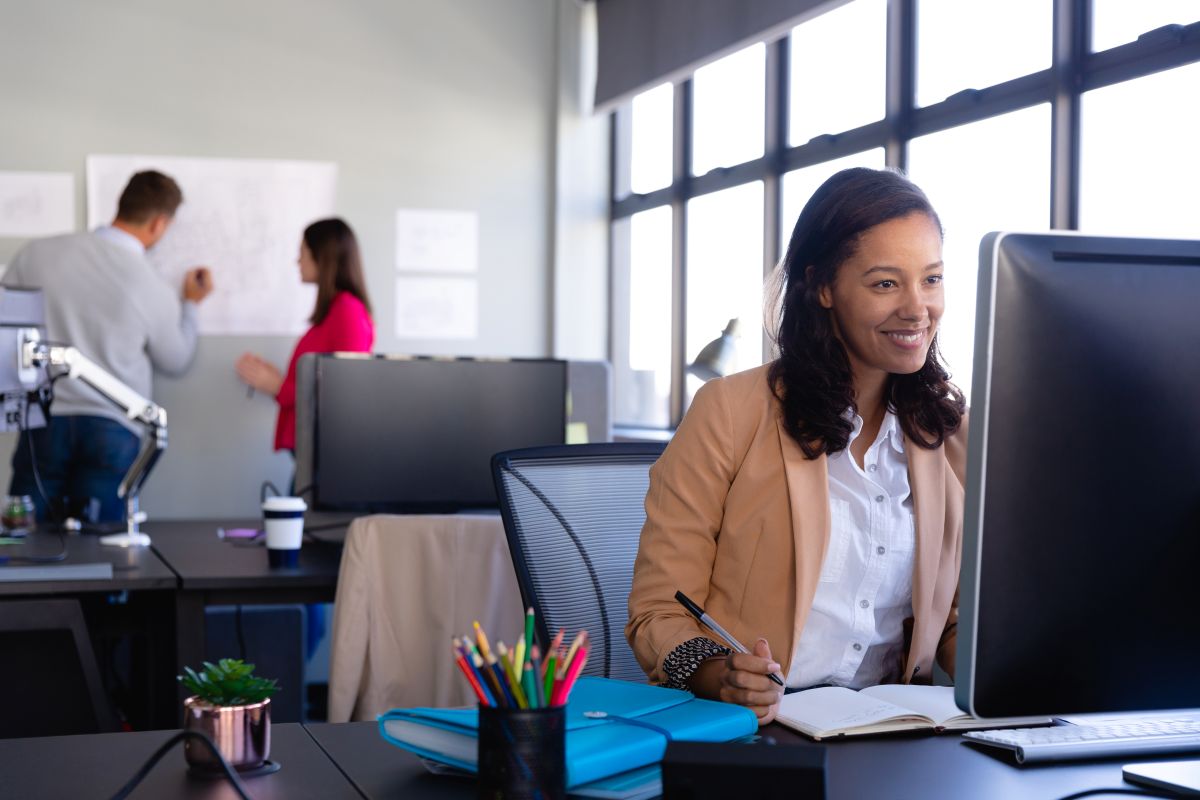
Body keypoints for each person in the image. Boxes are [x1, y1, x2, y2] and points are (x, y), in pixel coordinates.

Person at [626, 167, 968, 726]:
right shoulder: (730, 412)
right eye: (886, 284)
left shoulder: (948, 433)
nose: (917, 307)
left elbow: (950, 618)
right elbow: (657, 611)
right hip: (762, 732)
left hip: (897, 730)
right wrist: (718, 674)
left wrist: (1006, 667)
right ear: (823, 287)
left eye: (931, 279)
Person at [2, 170, 213, 523]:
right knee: (102, 545)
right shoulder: (151, 285)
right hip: (113, 425)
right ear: (159, 223)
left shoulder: (37, 254)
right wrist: (190, 304)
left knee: (24, 539)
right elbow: (175, 359)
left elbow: (5, 325)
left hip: (45, 420)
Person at [235, 217, 374, 455]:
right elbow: (319, 379)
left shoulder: (348, 312)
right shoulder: (334, 311)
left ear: (322, 256)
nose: (297, 260)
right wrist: (277, 380)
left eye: (302, 252)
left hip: (326, 453)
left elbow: (343, 392)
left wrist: (279, 387)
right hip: (311, 450)